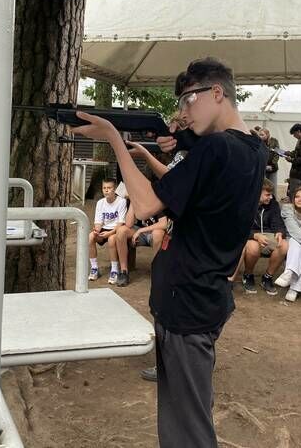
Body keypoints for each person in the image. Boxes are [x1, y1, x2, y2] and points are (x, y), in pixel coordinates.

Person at [72, 57, 266, 447]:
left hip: (187, 302)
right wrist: (177, 144)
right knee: (185, 417)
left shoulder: (215, 149)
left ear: (216, 93)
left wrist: (113, 139)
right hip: (202, 297)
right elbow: (194, 182)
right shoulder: (253, 149)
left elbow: (145, 206)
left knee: (187, 430)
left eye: (188, 100)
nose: (183, 112)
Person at [232, 179, 288, 295]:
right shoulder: (245, 204)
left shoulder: (273, 204)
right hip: (251, 236)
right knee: (253, 248)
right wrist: (255, 235)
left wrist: (279, 232)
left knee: (284, 245)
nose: (270, 197)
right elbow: (238, 229)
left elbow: (278, 222)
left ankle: (267, 277)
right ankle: (248, 275)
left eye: (271, 194)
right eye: (267, 194)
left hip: (268, 235)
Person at [114, 202, 168, 287]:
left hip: (154, 232)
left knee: (157, 234)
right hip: (139, 232)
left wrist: (140, 231)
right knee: (121, 231)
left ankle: (156, 270)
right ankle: (124, 271)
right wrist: (132, 202)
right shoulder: (138, 199)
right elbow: (128, 224)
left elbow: (163, 224)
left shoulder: (156, 200)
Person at [275, 186, 301, 302]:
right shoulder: (287, 208)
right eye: (297, 196)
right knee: (295, 241)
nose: (299, 199)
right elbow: (293, 230)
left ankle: (289, 273)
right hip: (290, 239)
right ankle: (294, 288)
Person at [89, 178, 128, 283]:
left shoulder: (121, 201)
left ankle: (114, 270)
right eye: (104, 188)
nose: (106, 190)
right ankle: (94, 268)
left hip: (115, 229)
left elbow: (120, 223)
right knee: (91, 236)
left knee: (111, 240)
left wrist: (110, 233)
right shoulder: (100, 203)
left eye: (109, 188)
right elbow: (98, 222)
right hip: (104, 229)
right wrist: (96, 230)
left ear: (114, 189)